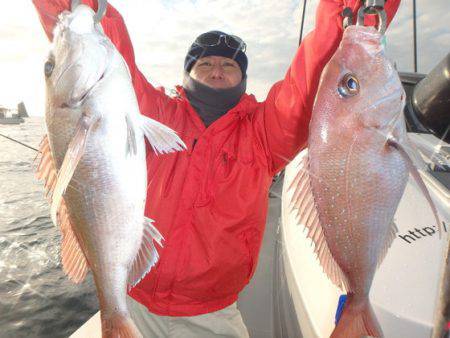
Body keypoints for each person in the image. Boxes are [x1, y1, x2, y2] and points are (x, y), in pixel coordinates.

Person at [33, 0, 400, 337]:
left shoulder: (264, 131)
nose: (217, 70)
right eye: (204, 63)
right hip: (135, 301)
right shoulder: (151, 112)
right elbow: (90, 57)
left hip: (214, 313)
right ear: (189, 72)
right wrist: (79, 9)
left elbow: (311, 79)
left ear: (243, 77)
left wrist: (351, 12)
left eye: (229, 64)